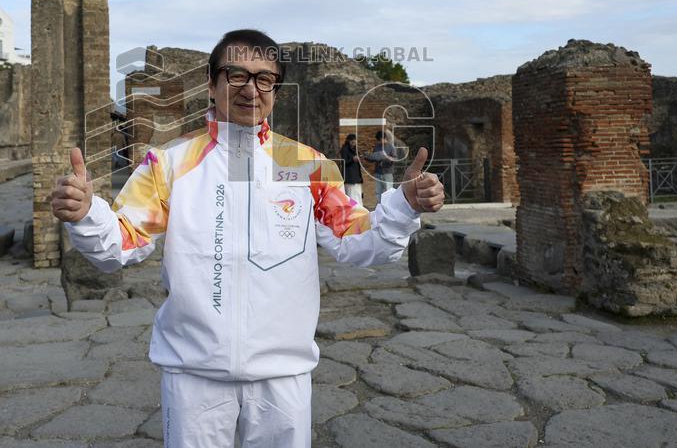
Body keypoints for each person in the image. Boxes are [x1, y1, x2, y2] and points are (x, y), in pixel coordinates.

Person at [50, 29, 444, 448]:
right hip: (194, 373)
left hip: (283, 374)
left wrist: (404, 206)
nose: (250, 89)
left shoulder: (308, 166)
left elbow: (362, 243)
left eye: (264, 79)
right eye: (236, 75)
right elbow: (122, 241)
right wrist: (86, 214)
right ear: (211, 83)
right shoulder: (168, 164)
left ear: (276, 89)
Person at [367, 129, 398, 202]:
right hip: (378, 172)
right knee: (378, 191)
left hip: (387, 172)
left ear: (384, 138)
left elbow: (395, 159)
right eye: (378, 140)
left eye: (380, 139)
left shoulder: (391, 147)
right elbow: (374, 158)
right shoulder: (377, 147)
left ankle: (388, 205)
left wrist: (387, 157)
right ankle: (379, 205)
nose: (379, 141)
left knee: (388, 190)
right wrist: (368, 157)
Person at [340, 133, 363, 206]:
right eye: (352, 141)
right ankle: (353, 209)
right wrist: (352, 159)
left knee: (358, 194)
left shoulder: (355, 149)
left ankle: (359, 209)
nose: (354, 142)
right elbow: (344, 162)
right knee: (351, 196)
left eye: (355, 140)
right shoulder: (345, 149)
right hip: (349, 177)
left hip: (357, 177)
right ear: (348, 141)